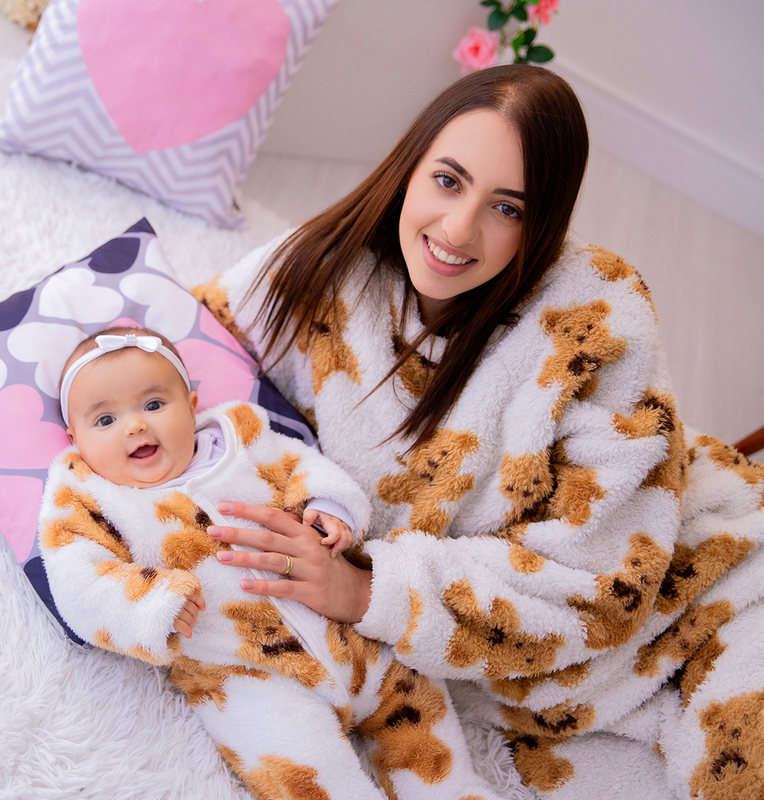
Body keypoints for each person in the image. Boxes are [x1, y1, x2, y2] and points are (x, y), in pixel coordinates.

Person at [193, 64, 764, 800]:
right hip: (539, 679)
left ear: (543, 223)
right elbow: (172, 361)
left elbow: (603, 587)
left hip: (715, 592)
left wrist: (364, 591)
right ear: (410, 166)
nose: (458, 231)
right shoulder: (324, 267)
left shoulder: (600, 321)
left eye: (507, 208)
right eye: (448, 181)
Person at [38, 326, 505, 800]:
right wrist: (151, 605)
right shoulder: (88, 497)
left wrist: (329, 506)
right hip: (248, 674)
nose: (135, 426)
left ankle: (454, 790)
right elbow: (77, 581)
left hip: (349, 631)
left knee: (422, 720)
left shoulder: (243, 436)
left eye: (154, 404)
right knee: (303, 771)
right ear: (75, 439)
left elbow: (302, 464)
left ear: (192, 406)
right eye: (105, 420)